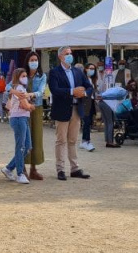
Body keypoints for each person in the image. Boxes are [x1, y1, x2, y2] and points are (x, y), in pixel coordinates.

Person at [48, 46, 92, 181]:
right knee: (61, 140)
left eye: (70, 53)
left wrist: (83, 93)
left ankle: (75, 168)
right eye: (66, 53)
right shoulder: (54, 72)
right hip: (62, 110)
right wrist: (72, 91)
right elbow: (55, 90)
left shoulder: (78, 71)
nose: (69, 56)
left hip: (76, 109)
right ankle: (60, 169)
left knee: (72, 140)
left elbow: (89, 87)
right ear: (60, 56)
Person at [1, 68, 35, 184]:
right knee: (21, 146)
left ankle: (9, 168)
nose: (25, 78)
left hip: (22, 118)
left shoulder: (18, 88)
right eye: (23, 76)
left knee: (27, 146)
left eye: (26, 75)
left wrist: (28, 105)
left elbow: (25, 104)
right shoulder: (19, 88)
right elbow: (26, 105)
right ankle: (20, 173)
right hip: (19, 118)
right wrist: (30, 106)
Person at [22, 51, 48, 180]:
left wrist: (31, 94)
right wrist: (21, 94)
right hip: (23, 109)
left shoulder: (42, 76)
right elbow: (10, 86)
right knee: (24, 138)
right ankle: (22, 169)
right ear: (27, 62)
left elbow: (41, 91)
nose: (34, 62)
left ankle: (33, 168)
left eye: (35, 60)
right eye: (31, 60)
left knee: (36, 138)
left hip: (36, 108)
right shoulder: (22, 74)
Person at [77, 63, 97, 152]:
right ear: (86, 69)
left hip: (91, 101)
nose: (92, 70)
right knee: (87, 121)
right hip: (85, 101)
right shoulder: (83, 79)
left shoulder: (92, 79)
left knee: (89, 122)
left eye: (93, 68)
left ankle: (84, 140)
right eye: (90, 68)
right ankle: (86, 141)